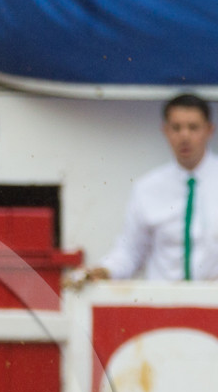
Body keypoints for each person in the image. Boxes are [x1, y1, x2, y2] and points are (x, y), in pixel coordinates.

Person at [87, 93, 218, 282]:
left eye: (193, 127)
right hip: (163, 304)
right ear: (165, 130)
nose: (185, 136)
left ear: (209, 130)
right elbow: (130, 250)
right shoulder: (147, 188)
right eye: (176, 128)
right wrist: (105, 271)